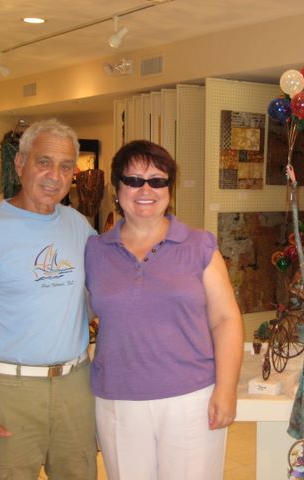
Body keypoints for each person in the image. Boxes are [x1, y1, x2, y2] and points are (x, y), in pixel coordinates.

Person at [0, 118, 97, 479]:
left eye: (65, 167)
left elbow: (100, 297)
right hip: (8, 391)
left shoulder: (79, 226)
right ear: (20, 163)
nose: (54, 176)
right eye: (44, 162)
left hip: (75, 384)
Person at [85, 140, 243, 480]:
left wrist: (226, 388)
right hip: (118, 400)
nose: (146, 190)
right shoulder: (95, 250)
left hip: (191, 399)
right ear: (117, 189)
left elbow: (226, 320)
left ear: (169, 190)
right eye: (133, 180)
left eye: (157, 181)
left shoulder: (199, 245)